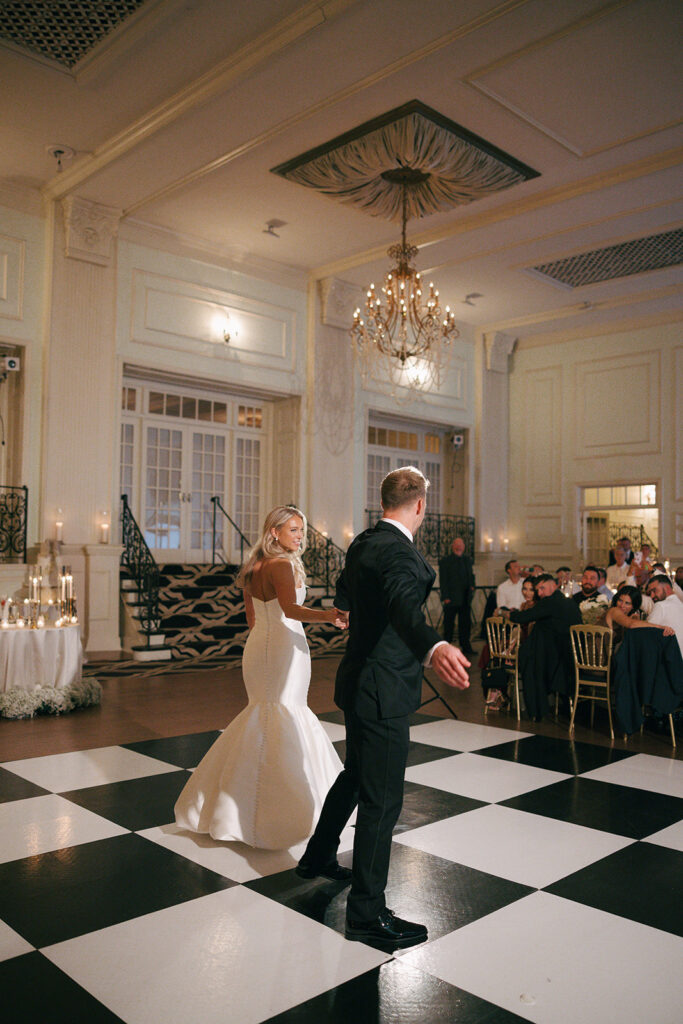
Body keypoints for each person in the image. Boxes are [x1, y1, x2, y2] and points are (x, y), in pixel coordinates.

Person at [297, 467, 470, 951]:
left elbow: (348, 594)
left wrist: (351, 609)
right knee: (382, 800)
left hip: (358, 682)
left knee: (355, 775)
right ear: (419, 506)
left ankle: (316, 857)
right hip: (384, 688)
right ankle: (367, 915)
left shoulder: (363, 542)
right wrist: (433, 646)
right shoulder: (397, 551)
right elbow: (401, 605)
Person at [174, 505, 347, 849]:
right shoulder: (281, 564)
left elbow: (252, 619)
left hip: (260, 646)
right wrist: (330, 615)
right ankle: (282, 813)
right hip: (284, 645)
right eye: (294, 530)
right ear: (274, 533)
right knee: (282, 713)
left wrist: (267, 641)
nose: (300, 537)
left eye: (302, 530)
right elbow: (291, 610)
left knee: (264, 713)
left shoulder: (253, 566)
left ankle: (235, 805)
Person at [502, 573, 582, 720]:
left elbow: (522, 618)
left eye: (542, 588)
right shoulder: (569, 602)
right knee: (532, 652)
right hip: (568, 655)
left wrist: (506, 614)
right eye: (537, 590)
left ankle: (536, 711)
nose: (540, 593)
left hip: (553, 657)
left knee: (529, 659)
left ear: (553, 585)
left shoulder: (550, 602)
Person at [605, 585, 675, 649]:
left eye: (627, 603)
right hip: (602, 658)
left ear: (633, 606)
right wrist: (661, 627)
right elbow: (631, 624)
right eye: (620, 600)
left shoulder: (628, 618)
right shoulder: (614, 611)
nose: (622, 605)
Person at [439, 536, 475, 654]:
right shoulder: (446, 561)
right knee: (449, 625)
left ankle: (466, 647)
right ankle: (446, 648)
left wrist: (472, 587)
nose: (459, 546)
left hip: (465, 598)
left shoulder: (468, 560)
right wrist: (445, 597)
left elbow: (471, 575)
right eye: (457, 544)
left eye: (461, 544)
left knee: (465, 625)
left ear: (464, 547)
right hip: (451, 598)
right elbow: (443, 580)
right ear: (453, 546)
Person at [646, 574, 683, 659]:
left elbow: (646, 632)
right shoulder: (680, 604)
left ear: (667, 588)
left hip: (671, 662)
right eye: (650, 592)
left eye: (654, 591)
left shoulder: (661, 605)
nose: (652, 596)